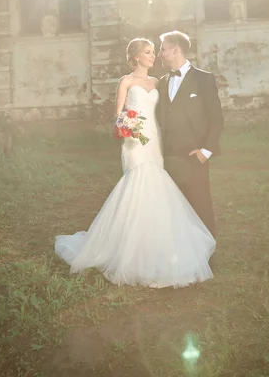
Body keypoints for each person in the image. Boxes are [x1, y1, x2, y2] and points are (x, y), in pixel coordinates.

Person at [54, 38, 215, 288]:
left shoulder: (157, 83)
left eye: (154, 52)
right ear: (136, 57)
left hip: (155, 140)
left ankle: (153, 245)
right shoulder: (126, 82)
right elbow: (118, 115)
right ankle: (127, 248)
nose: (153, 56)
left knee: (156, 189)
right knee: (137, 185)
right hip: (134, 143)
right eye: (148, 52)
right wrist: (125, 126)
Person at [157, 31, 223, 237]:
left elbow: (216, 118)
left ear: (175, 49)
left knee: (200, 205)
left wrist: (206, 151)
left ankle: (207, 255)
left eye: (163, 49)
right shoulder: (162, 81)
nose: (160, 54)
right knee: (173, 207)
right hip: (167, 156)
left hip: (194, 156)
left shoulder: (203, 79)